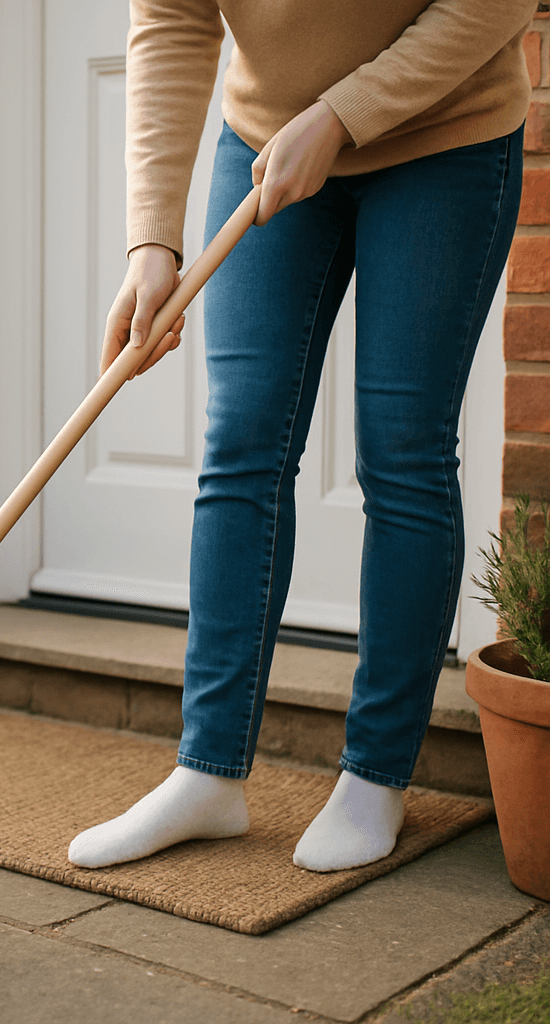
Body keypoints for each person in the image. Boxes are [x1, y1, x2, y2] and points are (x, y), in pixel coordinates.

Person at [68, 0, 537, 873]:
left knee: (403, 449)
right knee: (240, 442)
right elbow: (170, 19)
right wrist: (151, 242)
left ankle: (375, 775)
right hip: (264, 136)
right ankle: (207, 772)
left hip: (446, 135)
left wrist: (343, 115)